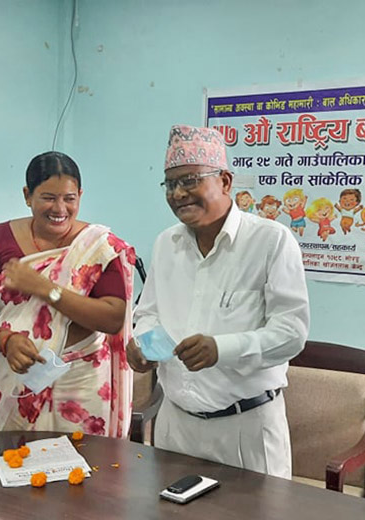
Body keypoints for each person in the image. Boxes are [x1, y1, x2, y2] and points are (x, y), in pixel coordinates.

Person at [127, 125, 310, 479]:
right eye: (170, 183)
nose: (178, 193)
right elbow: (148, 313)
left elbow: (291, 334)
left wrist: (221, 349)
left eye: (190, 180)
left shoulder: (270, 241)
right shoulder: (166, 244)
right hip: (174, 426)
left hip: (245, 429)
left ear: (225, 181)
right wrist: (144, 345)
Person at [0, 152, 136, 437]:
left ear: (80, 195)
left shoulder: (98, 246)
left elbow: (113, 318)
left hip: (81, 383)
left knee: (85, 473)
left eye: (69, 198)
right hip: (17, 377)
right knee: (15, 468)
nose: (60, 208)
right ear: (27, 195)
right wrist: (5, 341)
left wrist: (44, 288)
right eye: (48, 197)